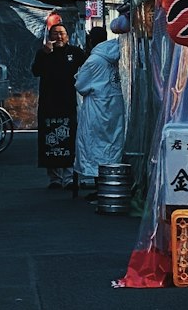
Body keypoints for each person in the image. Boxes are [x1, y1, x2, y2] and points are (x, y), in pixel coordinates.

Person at [74, 24, 126, 193]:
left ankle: (100, 186)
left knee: (95, 144)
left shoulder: (94, 60)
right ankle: (111, 183)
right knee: (112, 142)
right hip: (114, 104)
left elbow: (81, 85)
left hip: (97, 106)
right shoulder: (116, 55)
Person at [32, 21, 85, 187]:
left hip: (69, 101)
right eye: (55, 34)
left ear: (67, 36)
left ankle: (69, 177)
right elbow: (35, 71)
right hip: (48, 102)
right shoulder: (43, 53)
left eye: (62, 33)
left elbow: (87, 70)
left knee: (69, 138)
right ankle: (55, 178)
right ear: (49, 37)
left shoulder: (76, 52)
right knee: (50, 139)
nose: (59, 36)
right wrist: (45, 54)